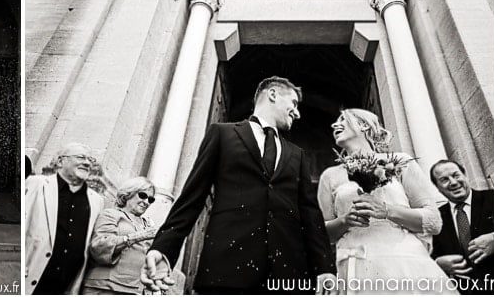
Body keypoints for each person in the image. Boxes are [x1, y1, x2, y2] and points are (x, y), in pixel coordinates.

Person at [142, 76, 336, 294]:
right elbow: (192, 197)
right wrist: (164, 248)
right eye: (293, 103)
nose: (297, 112)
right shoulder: (222, 134)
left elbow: (310, 214)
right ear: (272, 94)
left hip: (287, 275)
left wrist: (324, 268)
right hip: (227, 268)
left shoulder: (297, 155)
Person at [317, 109, 456, 295]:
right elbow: (320, 234)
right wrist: (344, 221)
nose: (335, 125)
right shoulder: (330, 175)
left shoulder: (400, 162)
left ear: (364, 125)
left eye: (343, 119)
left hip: (405, 262)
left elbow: (434, 222)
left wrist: (387, 211)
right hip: (356, 267)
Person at [25, 143, 105, 294]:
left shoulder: (97, 201)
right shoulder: (37, 184)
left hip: (65, 287)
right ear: (61, 161)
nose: (87, 163)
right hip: (32, 278)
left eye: (90, 160)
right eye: (81, 157)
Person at [83, 177, 165, 294]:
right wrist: (137, 236)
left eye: (150, 199)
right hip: (104, 287)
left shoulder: (147, 224)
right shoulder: (111, 214)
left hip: (135, 290)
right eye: (142, 195)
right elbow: (99, 247)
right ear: (128, 194)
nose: (146, 202)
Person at [429, 160, 494, 295]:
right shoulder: (436, 217)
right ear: (437, 187)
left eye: (456, 175)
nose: (453, 182)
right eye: (444, 180)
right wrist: (437, 263)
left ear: (465, 175)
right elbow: (430, 253)